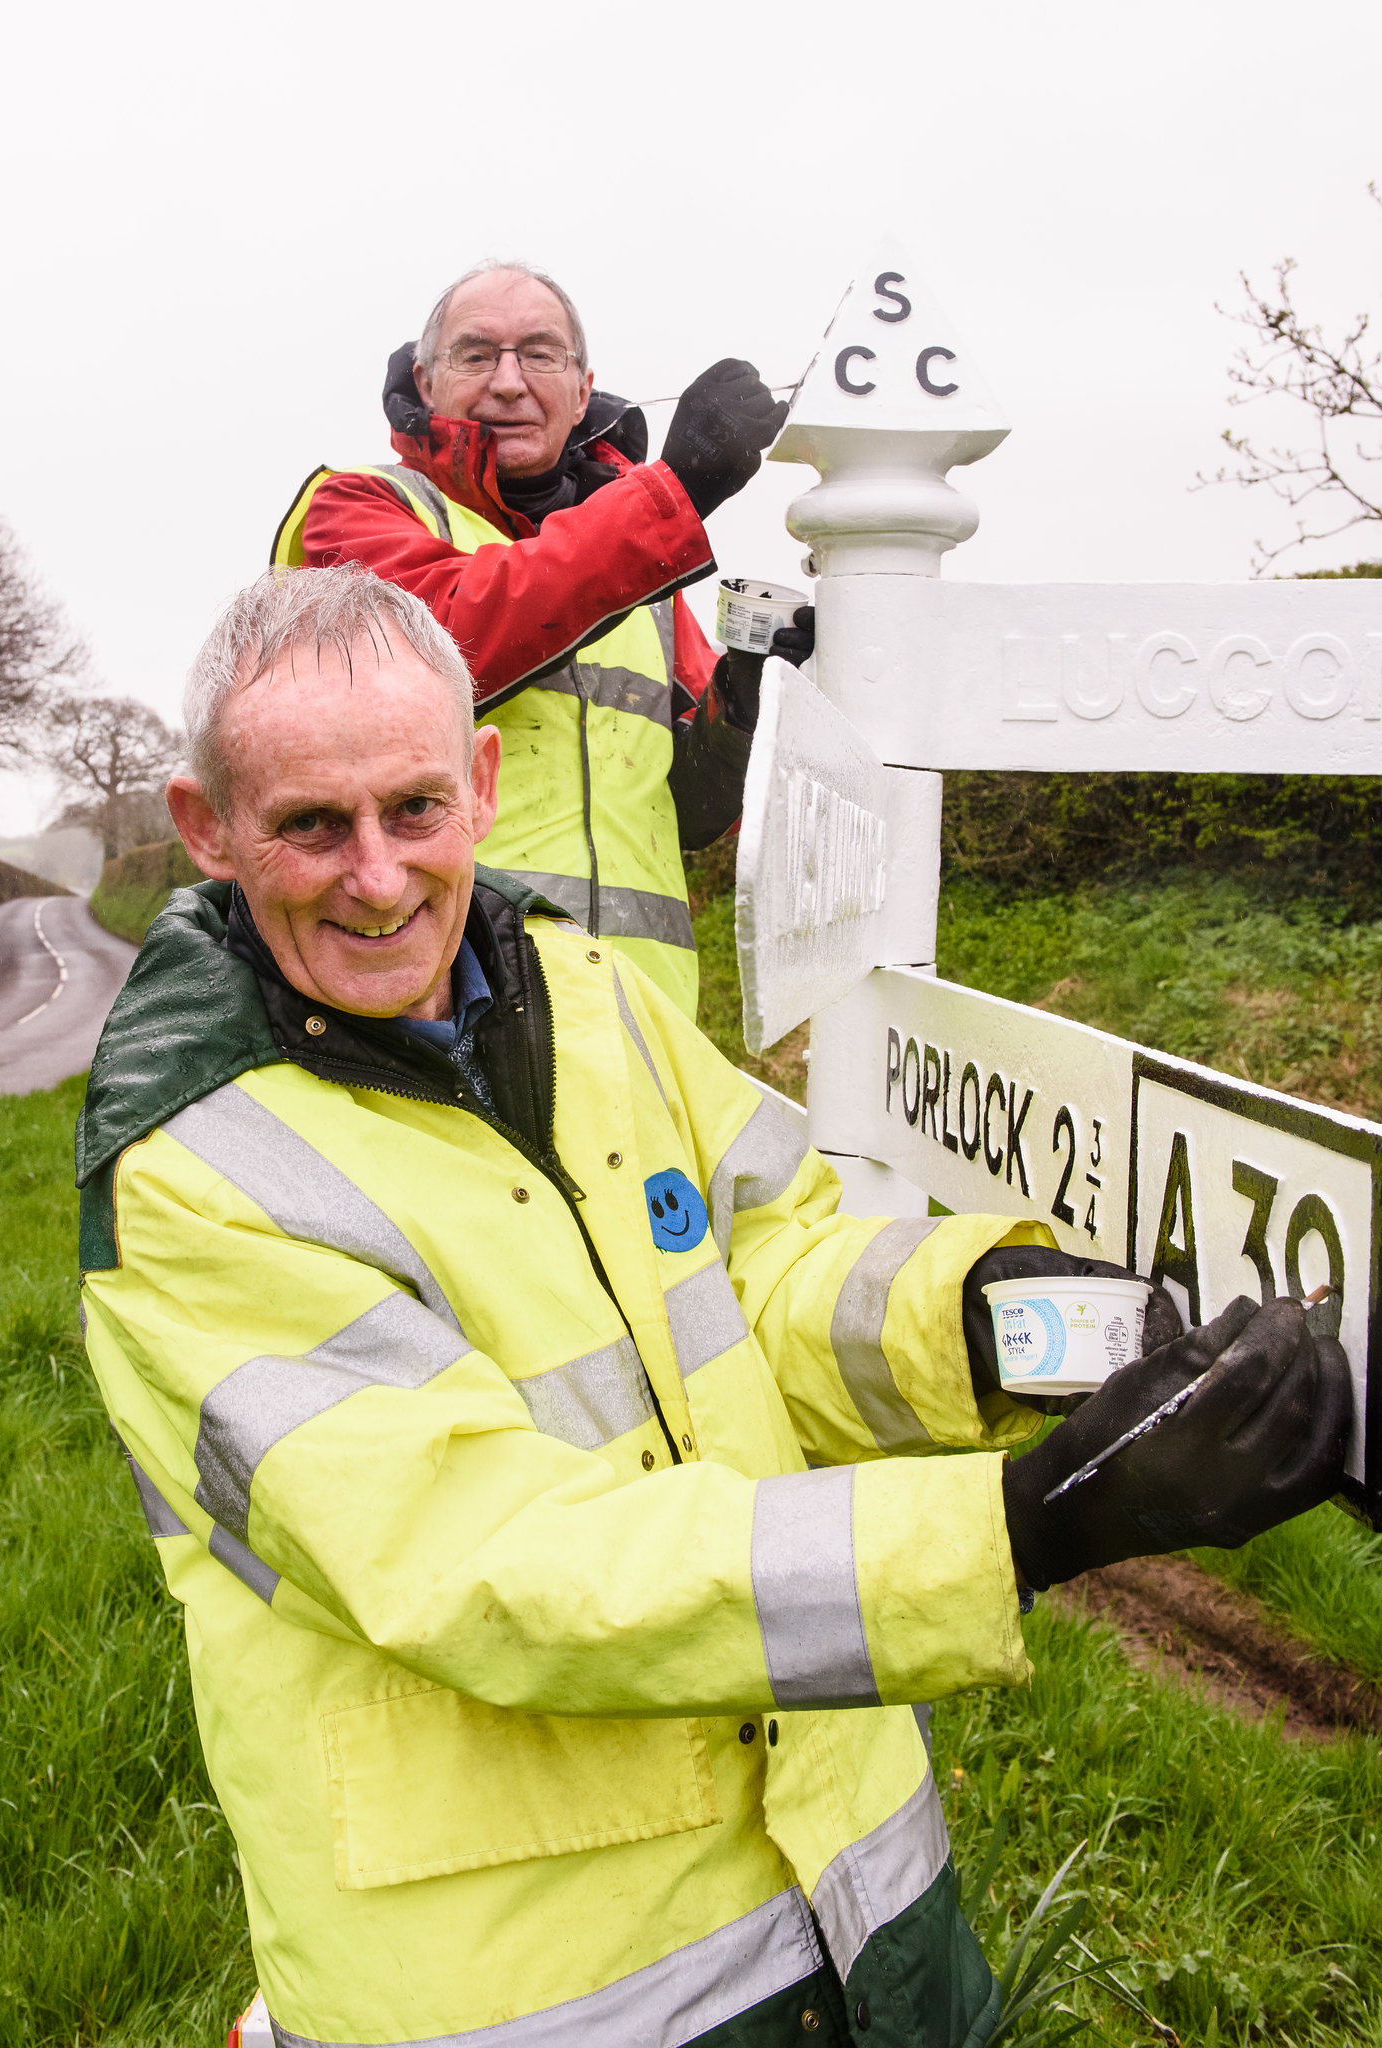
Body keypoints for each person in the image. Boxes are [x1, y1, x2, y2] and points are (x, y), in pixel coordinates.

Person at [78, 564, 1350, 2048]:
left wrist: (996, 1318)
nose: (376, 875)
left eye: (414, 807)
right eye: (311, 825)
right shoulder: (192, 1177)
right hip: (558, 1996)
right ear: (207, 831)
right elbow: (497, 1566)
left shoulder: (584, 986)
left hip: (857, 1881)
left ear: (481, 785)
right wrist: (1028, 1526)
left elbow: (770, 1264)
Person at [269, 258, 813, 1021]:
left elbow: (690, 811)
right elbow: (442, 649)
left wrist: (743, 698)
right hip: (437, 1016)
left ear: (583, 389)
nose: (509, 381)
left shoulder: (641, 565)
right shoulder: (354, 507)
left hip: (644, 1023)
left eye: (540, 354)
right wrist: (676, 491)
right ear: (427, 383)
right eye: (477, 354)